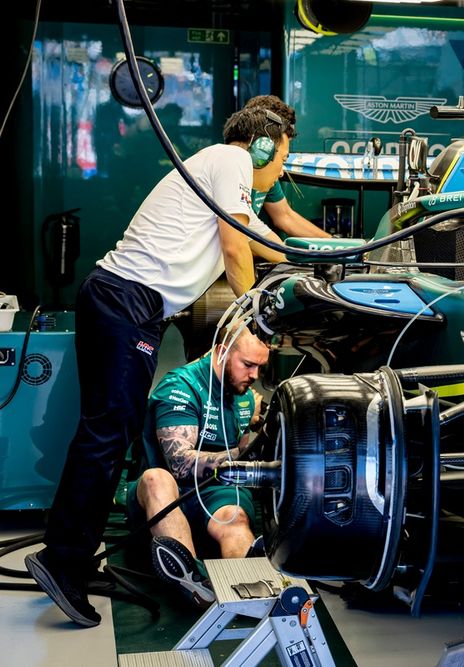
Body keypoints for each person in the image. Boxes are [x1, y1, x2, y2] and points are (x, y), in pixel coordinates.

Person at [25, 106, 289, 628]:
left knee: (107, 432)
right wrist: (253, 318)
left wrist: (336, 258)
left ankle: (71, 554)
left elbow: (275, 240)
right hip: (127, 302)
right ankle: (62, 561)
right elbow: (237, 247)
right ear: (261, 146)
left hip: (126, 304)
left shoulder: (222, 176)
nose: (281, 170)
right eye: (281, 158)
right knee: (107, 434)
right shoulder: (231, 160)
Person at [128, 328, 269, 607]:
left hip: (214, 492)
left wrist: (255, 424)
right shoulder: (180, 386)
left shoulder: (242, 394)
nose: (254, 376)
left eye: (260, 367)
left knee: (235, 517)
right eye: (248, 365)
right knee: (157, 479)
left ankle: (249, 585)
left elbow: (241, 446)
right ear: (221, 352)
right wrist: (247, 457)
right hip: (166, 495)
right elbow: (179, 464)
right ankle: (194, 580)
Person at [240, 95, 331, 239]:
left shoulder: (267, 173)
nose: (281, 172)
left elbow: (285, 216)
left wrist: (333, 244)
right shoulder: (232, 173)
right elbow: (235, 243)